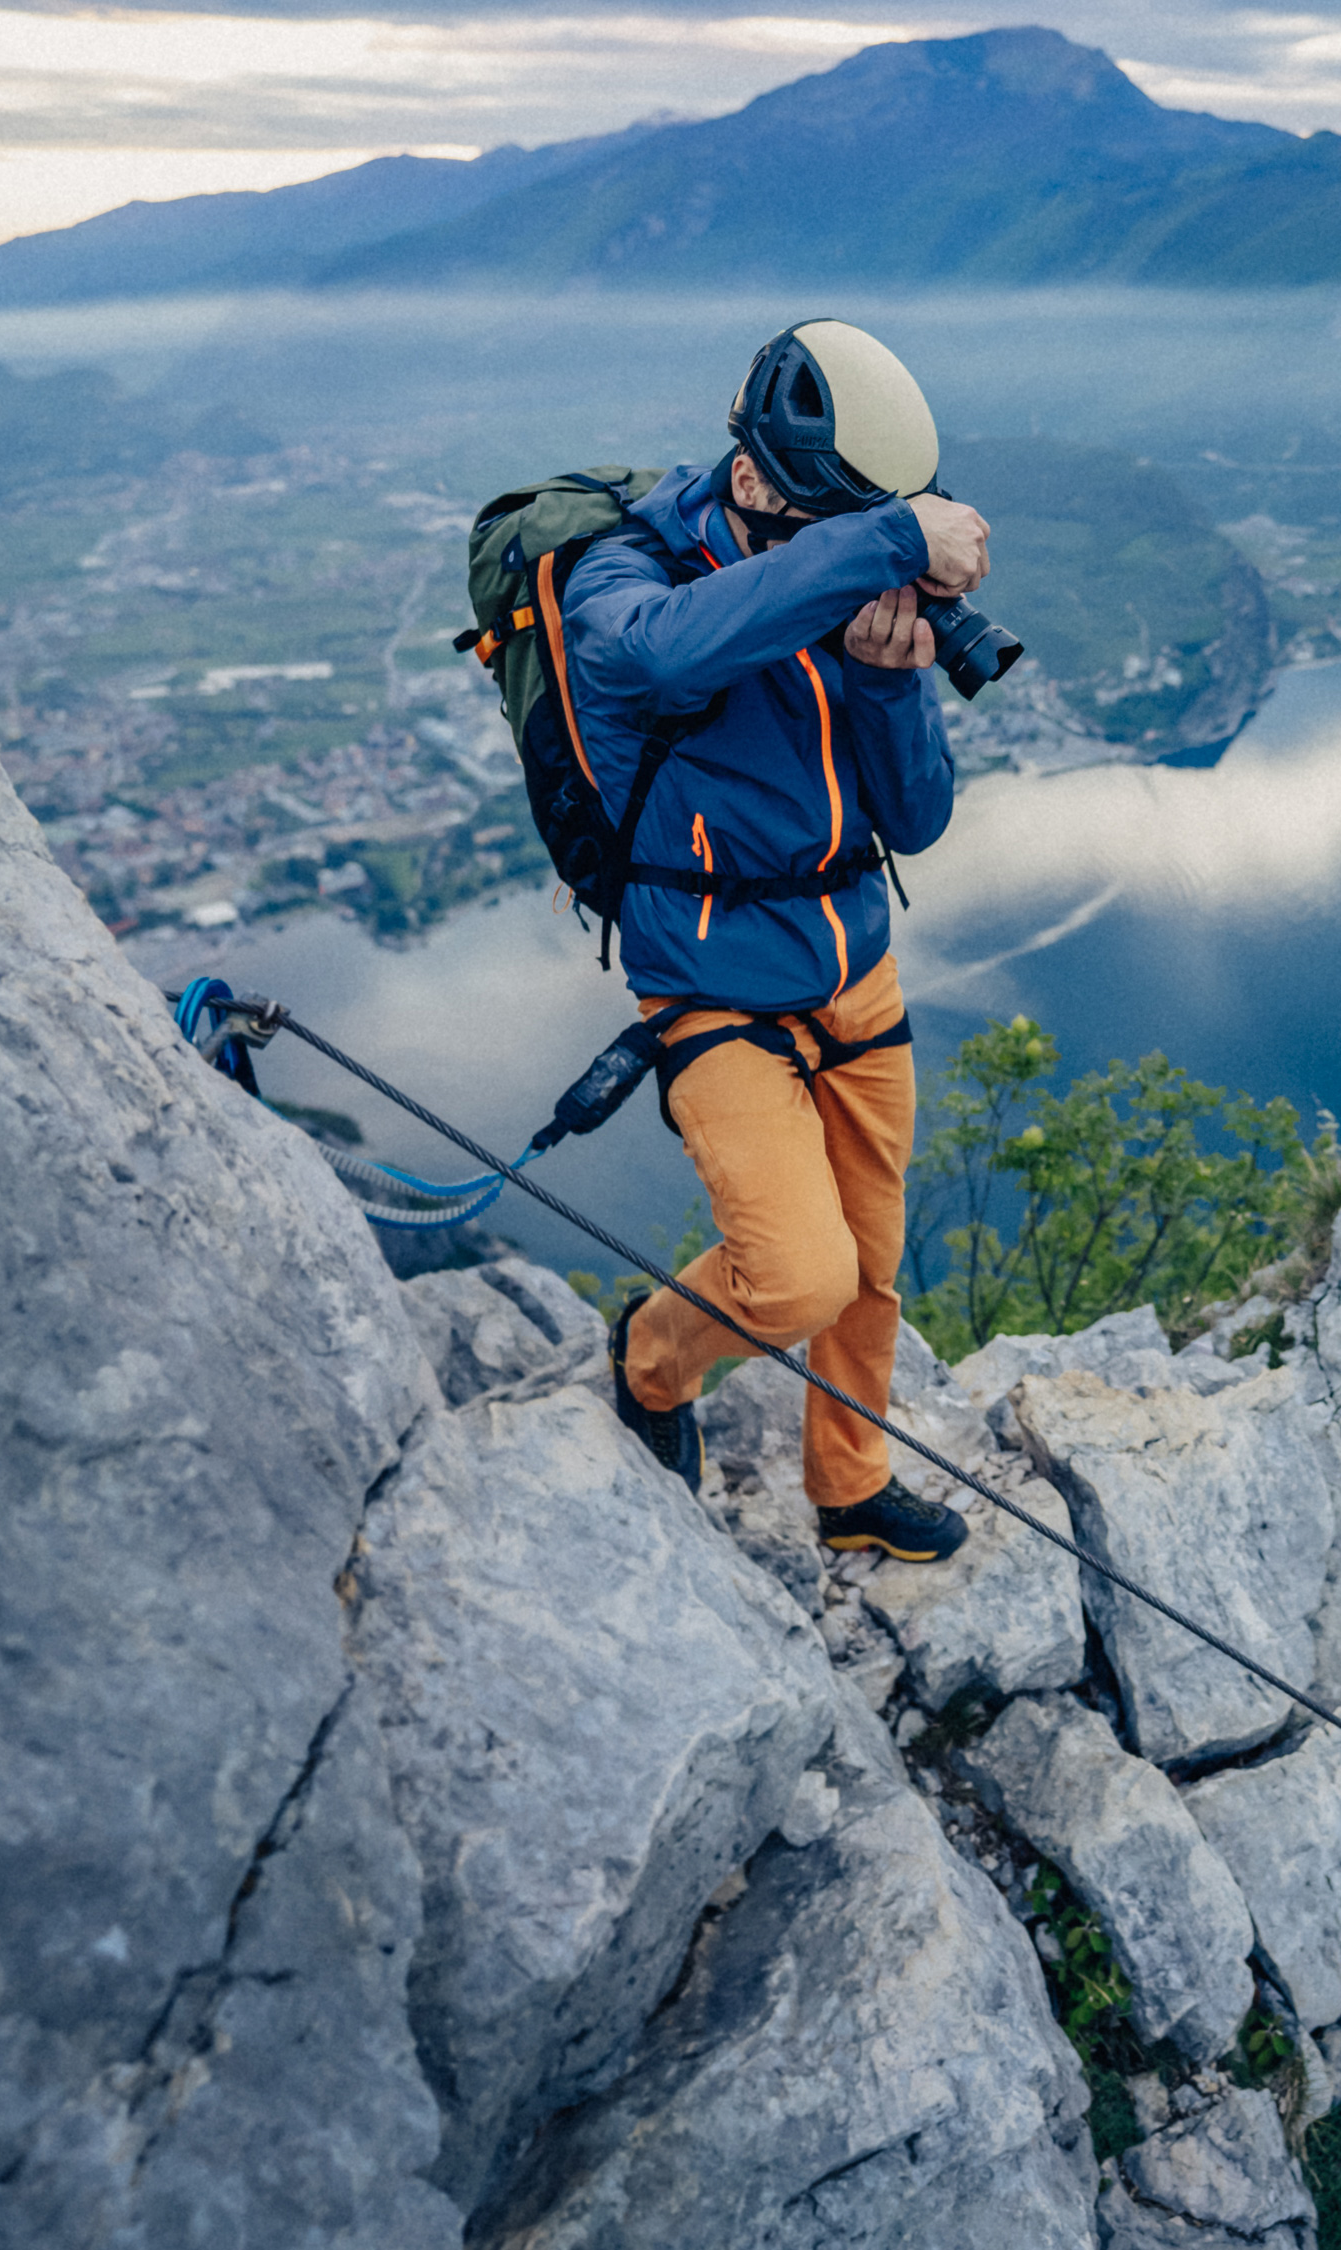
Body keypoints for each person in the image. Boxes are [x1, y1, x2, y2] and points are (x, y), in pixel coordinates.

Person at [561, 318, 994, 1562]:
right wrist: (894, 539)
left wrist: (887, 678)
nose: (853, 560)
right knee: (800, 1276)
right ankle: (653, 1355)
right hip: (711, 986)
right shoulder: (623, 579)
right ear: (751, 480)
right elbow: (659, 652)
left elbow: (917, 819)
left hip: (856, 970)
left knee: (872, 1264)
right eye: (837, 532)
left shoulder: (831, 583)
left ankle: (850, 1488)